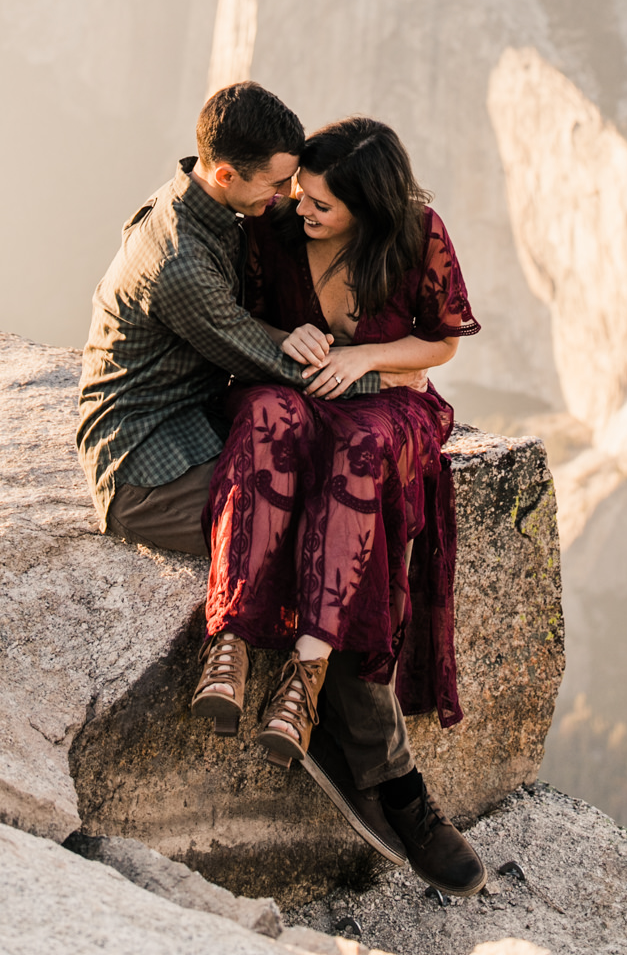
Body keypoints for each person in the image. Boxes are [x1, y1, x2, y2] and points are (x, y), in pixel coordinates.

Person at [76, 83, 482, 893]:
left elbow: (407, 340)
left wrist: (363, 359)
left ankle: (317, 712)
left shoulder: (213, 206)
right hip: (150, 463)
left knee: (339, 505)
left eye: (301, 189)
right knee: (340, 538)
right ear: (227, 174)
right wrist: (347, 368)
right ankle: (381, 773)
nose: (286, 202)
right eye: (277, 186)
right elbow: (273, 362)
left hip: (200, 428)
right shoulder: (187, 258)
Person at [193, 115, 484, 895]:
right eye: (299, 194)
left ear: (370, 205)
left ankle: (310, 679)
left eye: (321, 203)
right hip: (295, 393)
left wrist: (365, 355)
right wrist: (283, 339)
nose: (299, 206)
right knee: (264, 421)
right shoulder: (276, 229)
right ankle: (231, 646)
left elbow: (440, 342)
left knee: (359, 468)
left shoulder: (417, 236)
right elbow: (234, 317)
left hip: (381, 409)